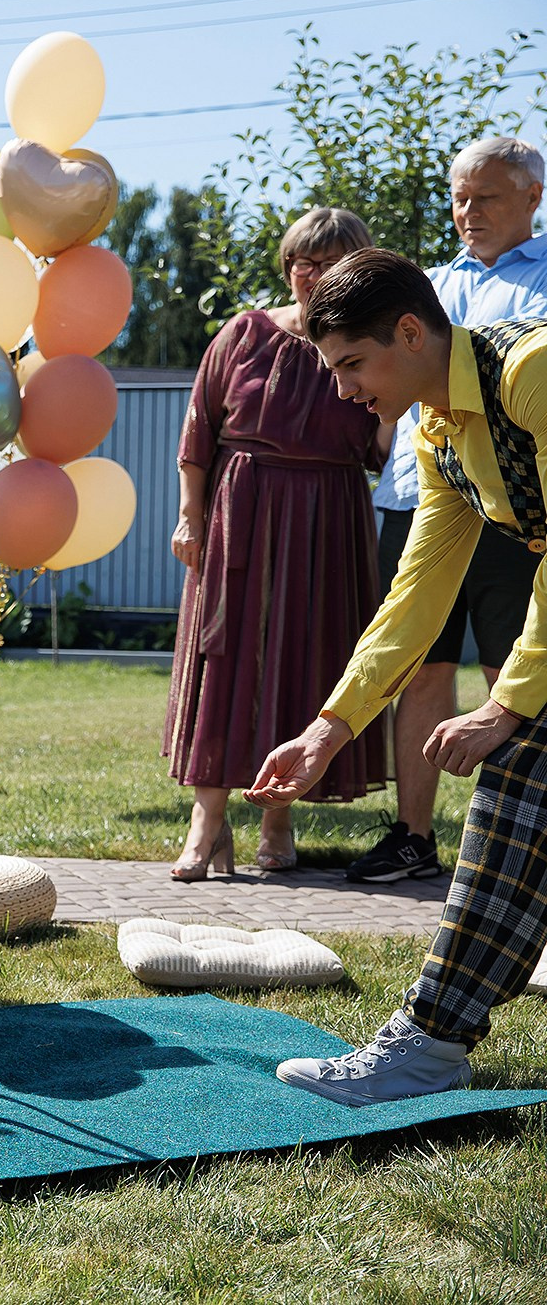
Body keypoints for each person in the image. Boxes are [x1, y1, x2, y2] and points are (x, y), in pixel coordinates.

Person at [250, 248, 547, 1105]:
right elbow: (415, 599)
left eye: (351, 365)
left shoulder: (530, 372)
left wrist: (507, 703)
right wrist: (329, 727)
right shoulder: (438, 427)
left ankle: (428, 1041)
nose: (343, 390)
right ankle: (432, 1038)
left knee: (519, 769)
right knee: (524, 794)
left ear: (411, 332)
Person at [164, 208, 389, 880]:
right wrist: (189, 516)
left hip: (330, 519)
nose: (307, 272)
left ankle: (277, 814)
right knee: (224, 657)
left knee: (307, 658)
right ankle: (207, 822)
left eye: (325, 261)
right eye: (299, 259)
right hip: (242, 509)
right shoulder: (245, 333)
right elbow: (199, 428)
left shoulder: (370, 347)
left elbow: (384, 449)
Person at [355, 136, 547, 883]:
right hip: (424, 494)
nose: (468, 211)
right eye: (459, 198)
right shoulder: (427, 286)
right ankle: (414, 834)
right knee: (423, 664)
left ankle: (506, 843)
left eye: (486, 196)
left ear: (532, 198)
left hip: (517, 505)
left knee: (516, 664)